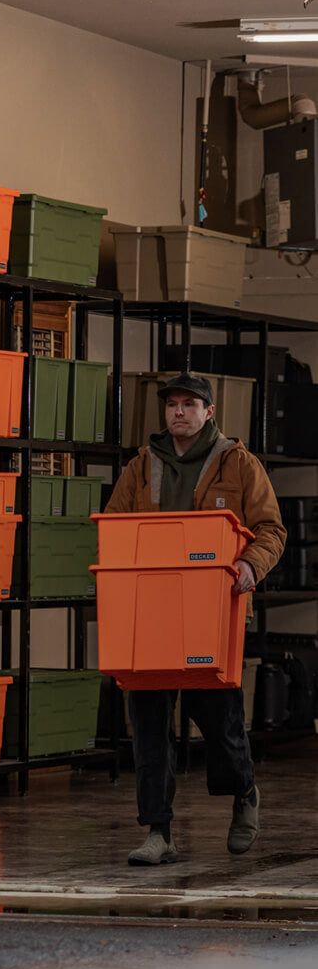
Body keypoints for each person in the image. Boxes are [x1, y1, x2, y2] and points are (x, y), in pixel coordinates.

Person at [104, 371, 286, 866]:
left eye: (189, 404)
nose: (179, 412)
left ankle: (244, 790)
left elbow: (271, 528)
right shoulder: (142, 466)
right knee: (148, 728)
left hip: (210, 615)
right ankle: (158, 832)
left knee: (220, 724)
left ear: (209, 411)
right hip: (149, 617)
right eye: (172, 405)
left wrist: (251, 564)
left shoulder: (239, 464)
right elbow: (114, 527)